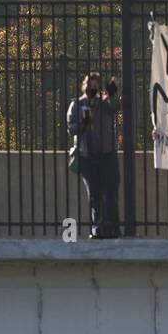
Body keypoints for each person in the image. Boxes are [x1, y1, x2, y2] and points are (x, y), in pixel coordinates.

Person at [66, 71, 121, 239]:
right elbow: (71, 128)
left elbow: (115, 106)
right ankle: (97, 228)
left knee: (110, 192)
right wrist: (83, 123)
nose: (93, 87)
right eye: (91, 84)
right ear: (85, 85)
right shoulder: (77, 104)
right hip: (87, 155)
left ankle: (112, 228)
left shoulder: (104, 103)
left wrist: (111, 93)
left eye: (96, 84)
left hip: (107, 153)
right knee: (94, 194)